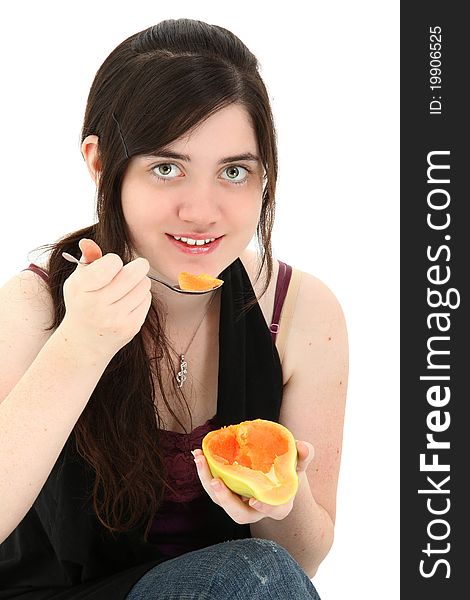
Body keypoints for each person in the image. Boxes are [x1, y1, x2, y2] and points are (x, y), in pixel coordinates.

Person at [0, 18, 348, 600]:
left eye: (234, 172)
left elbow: (299, 565)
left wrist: (285, 500)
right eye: (167, 168)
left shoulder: (301, 313)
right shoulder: (35, 307)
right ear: (101, 164)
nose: (202, 211)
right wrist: (79, 348)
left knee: (258, 573)